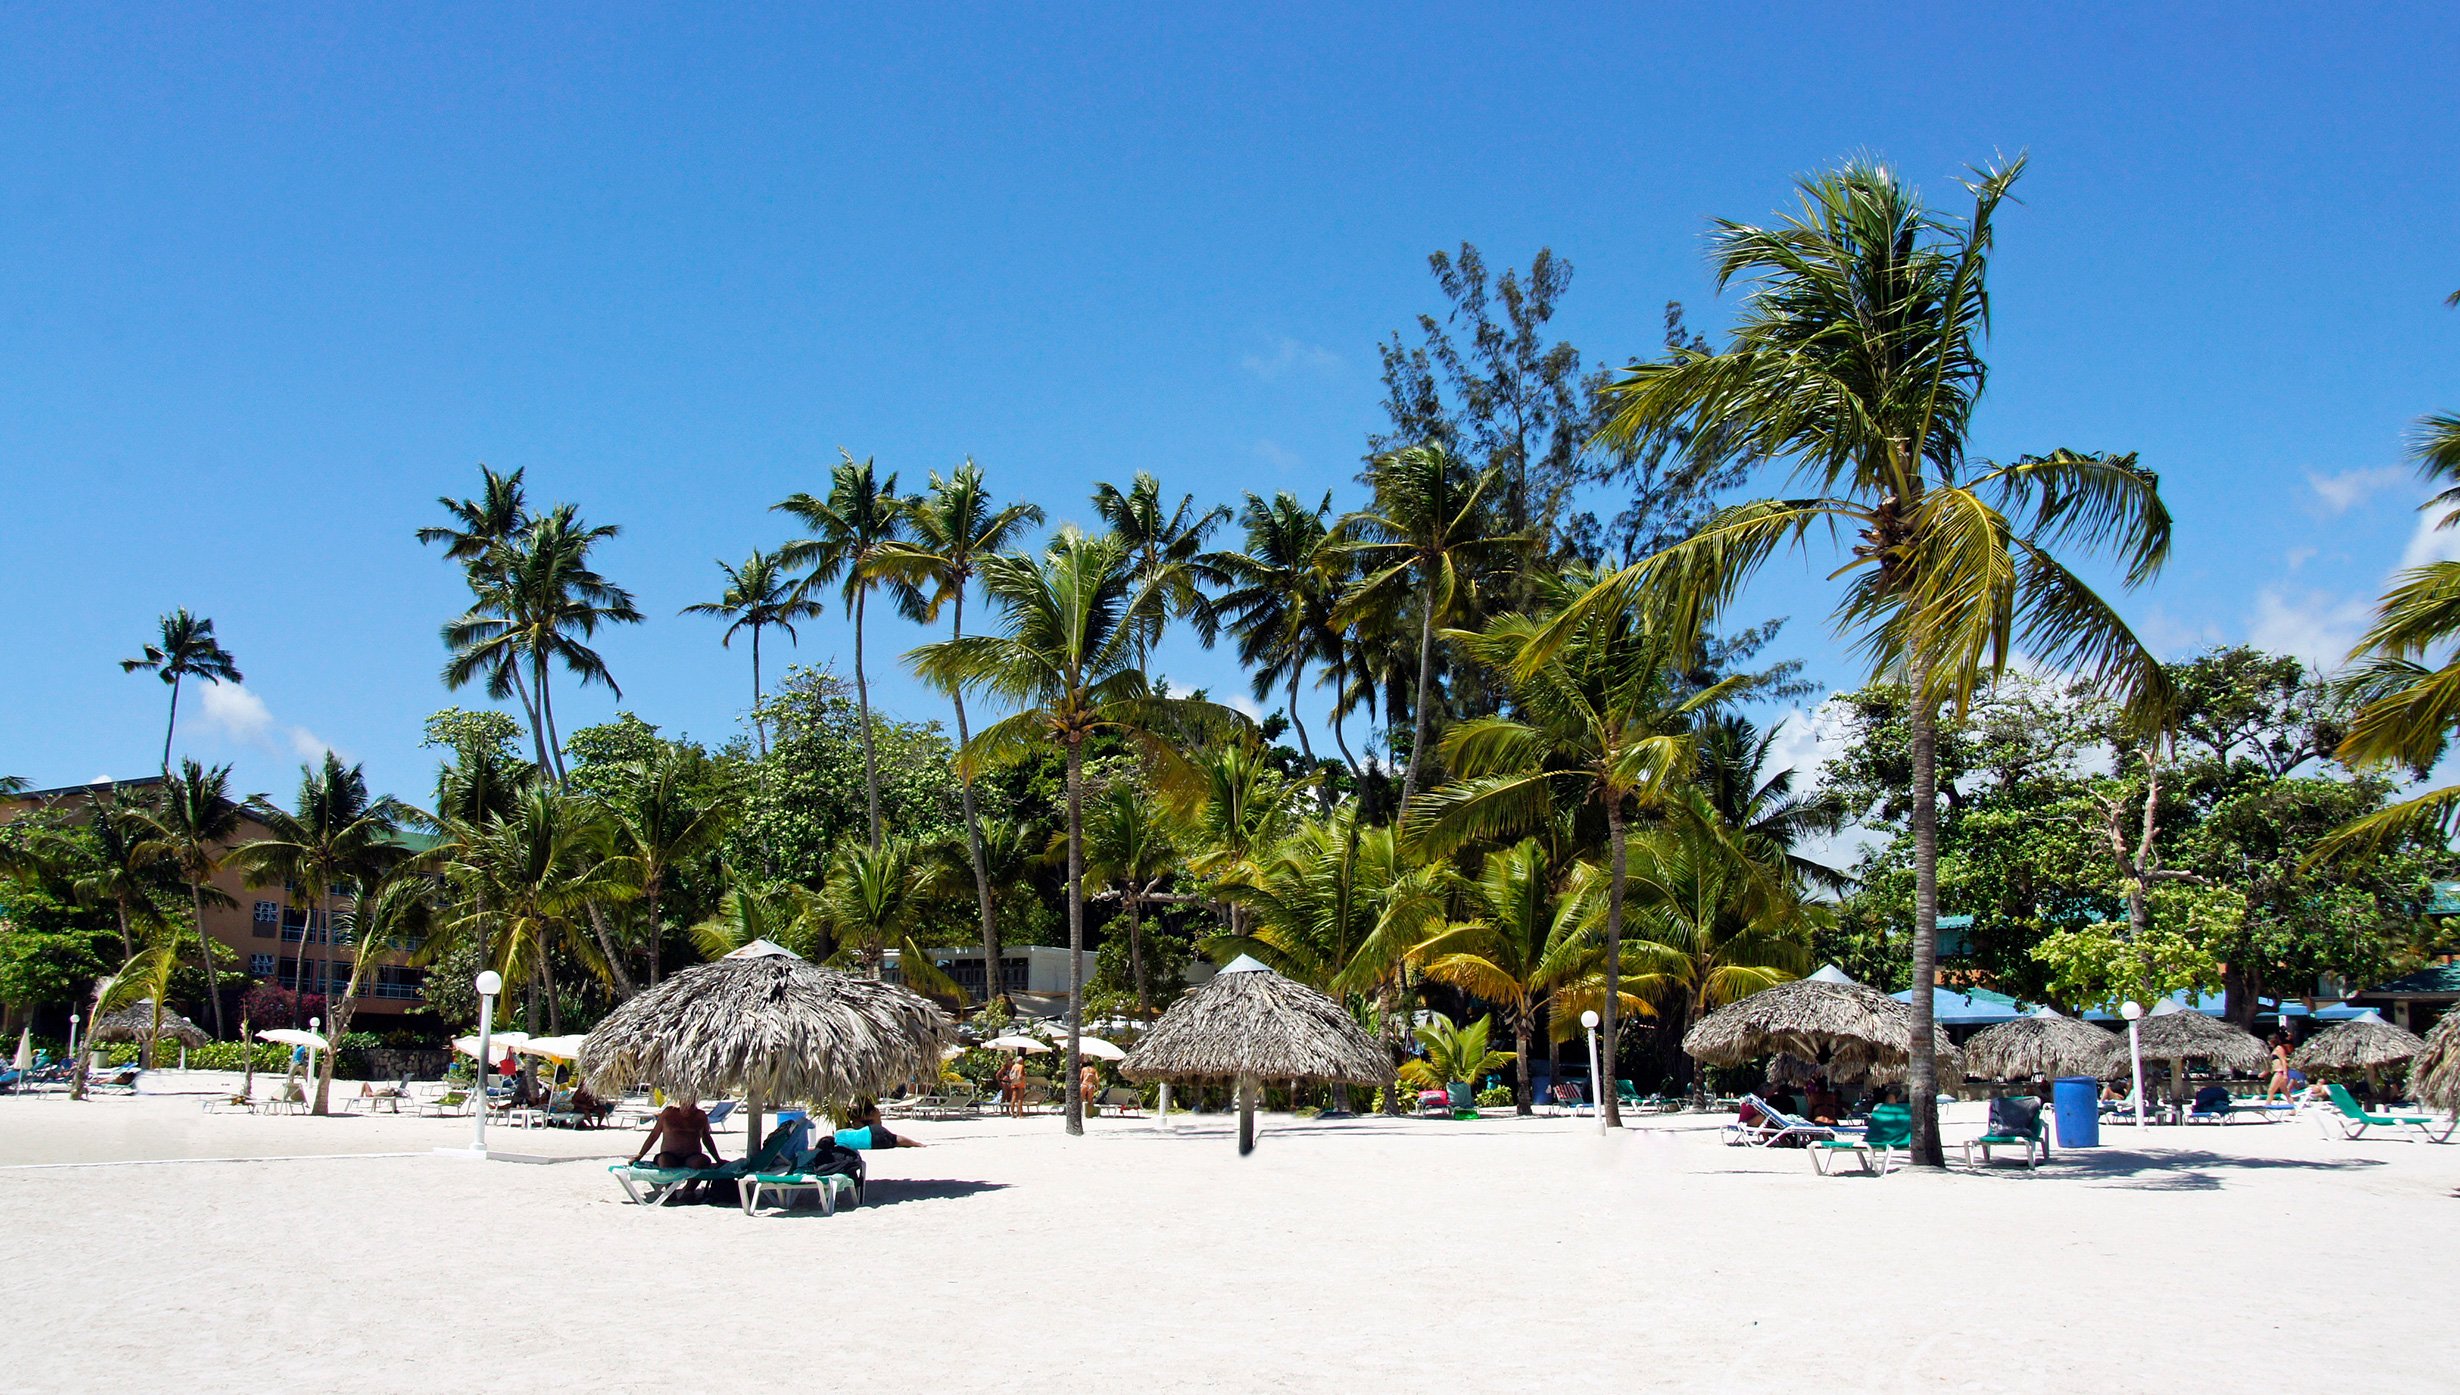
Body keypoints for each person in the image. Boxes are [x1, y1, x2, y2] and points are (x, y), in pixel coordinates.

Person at [631, 1096, 724, 1171]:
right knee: (665, 1161)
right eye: (685, 1104)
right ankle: (671, 1191)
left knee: (703, 1161)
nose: (688, 1108)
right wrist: (639, 1156)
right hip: (669, 1155)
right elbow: (654, 1135)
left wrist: (718, 1159)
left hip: (692, 1156)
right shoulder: (668, 1113)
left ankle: (689, 1190)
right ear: (680, 1102)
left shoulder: (700, 1116)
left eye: (691, 1105)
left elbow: (707, 1138)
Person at [835, 1100, 926, 1150]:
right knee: (895, 1139)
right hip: (873, 1131)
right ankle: (916, 1144)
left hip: (871, 1138)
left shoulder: (839, 1143)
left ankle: (916, 1144)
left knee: (896, 1140)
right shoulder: (839, 1134)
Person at [2264, 1032, 2294, 1101]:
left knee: (2271, 1090)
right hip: (2279, 1072)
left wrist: (2285, 1074)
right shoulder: (2276, 1049)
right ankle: (2293, 1109)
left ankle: (2264, 1109)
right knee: (2285, 1092)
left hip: (2279, 1072)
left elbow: (2283, 1060)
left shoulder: (2279, 1048)